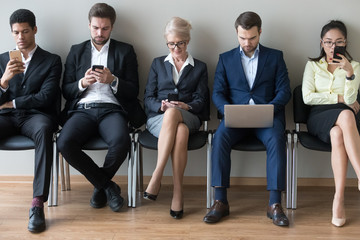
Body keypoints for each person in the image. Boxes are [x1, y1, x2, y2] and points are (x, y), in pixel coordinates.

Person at [203, 11, 291, 226]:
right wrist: (228, 110)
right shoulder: (225, 58)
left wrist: (270, 108)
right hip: (236, 118)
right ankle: (220, 201)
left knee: (277, 139)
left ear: (260, 32)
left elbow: (284, 90)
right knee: (220, 137)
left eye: (251, 38)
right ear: (237, 33)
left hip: (267, 117)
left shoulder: (275, 56)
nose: (247, 43)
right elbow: (217, 92)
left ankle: (274, 204)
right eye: (242, 38)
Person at [57, 3, 141, 212]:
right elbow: (66, 91)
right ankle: (107, 186)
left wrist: (113, 80)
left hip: (112, 109)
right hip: (82, 109)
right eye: (95, 28)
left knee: (122, 142)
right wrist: (82, 83)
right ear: (89, 25)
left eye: (104, 28)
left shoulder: (125, 51)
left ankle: (99, 186)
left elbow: (134, 90)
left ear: (112, 27)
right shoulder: (76, 51)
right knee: (64, 142)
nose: (99, 33)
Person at [0, 9, 62, 233]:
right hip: (6, 118)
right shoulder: (2, 60)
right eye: (16, 32)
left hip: (37, 117)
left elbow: (46, 97)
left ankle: (37, 204)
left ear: (35, 30)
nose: (20, 37)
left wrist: (13, 102)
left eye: (25, 31)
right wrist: (4, 82)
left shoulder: (52, 61)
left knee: (45, 130)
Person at [143, 17, 208, 219]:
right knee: (179, 130)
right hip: (159, 119)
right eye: (171, 44)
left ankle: (157, 175)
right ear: (167, 43)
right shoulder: (157, 64)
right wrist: (161, 106)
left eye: (180, 43)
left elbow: (202, 100)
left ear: (187, 41)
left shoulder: (200, 67)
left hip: (189, 116)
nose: (176, 48)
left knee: (177, 115)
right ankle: (178, 193)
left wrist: (186, 106)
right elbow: (148, 98)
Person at [302, 20, 360, 227]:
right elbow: (308, 98)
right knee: (345, 115)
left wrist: (349, 74)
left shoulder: (354, 67)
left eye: (338, 42)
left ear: (346, 42)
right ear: (321, 43)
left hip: (347, 121)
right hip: (319, 116)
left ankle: (339, 199)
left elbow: (352, 98)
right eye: (328, 42)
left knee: (338, 133)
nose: (332, 47)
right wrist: (339, 98)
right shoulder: (312, 66)